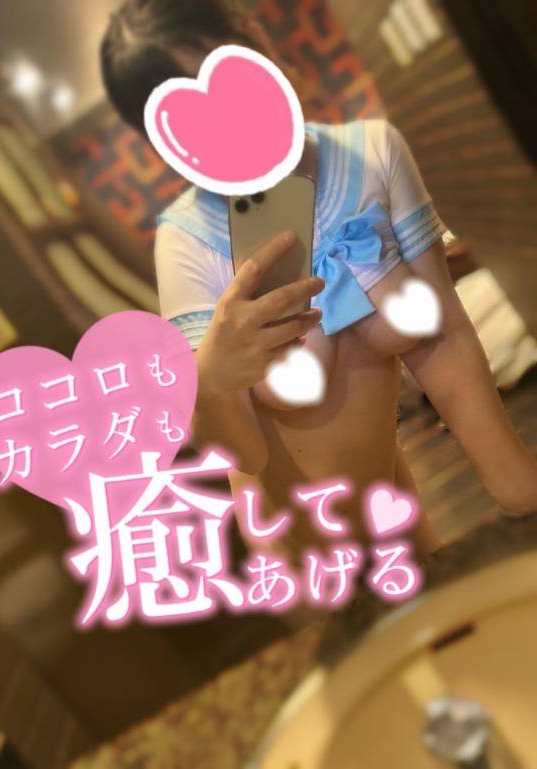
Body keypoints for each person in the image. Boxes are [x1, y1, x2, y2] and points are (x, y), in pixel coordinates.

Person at [100, 0, 537, 565]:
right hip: (301, 551)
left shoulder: (373, 151)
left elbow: (443, 333)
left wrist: (515, 484)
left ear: (257, 41)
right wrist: (211, 378)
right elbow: (241, 451)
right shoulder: (187, 239)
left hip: (391, 499)